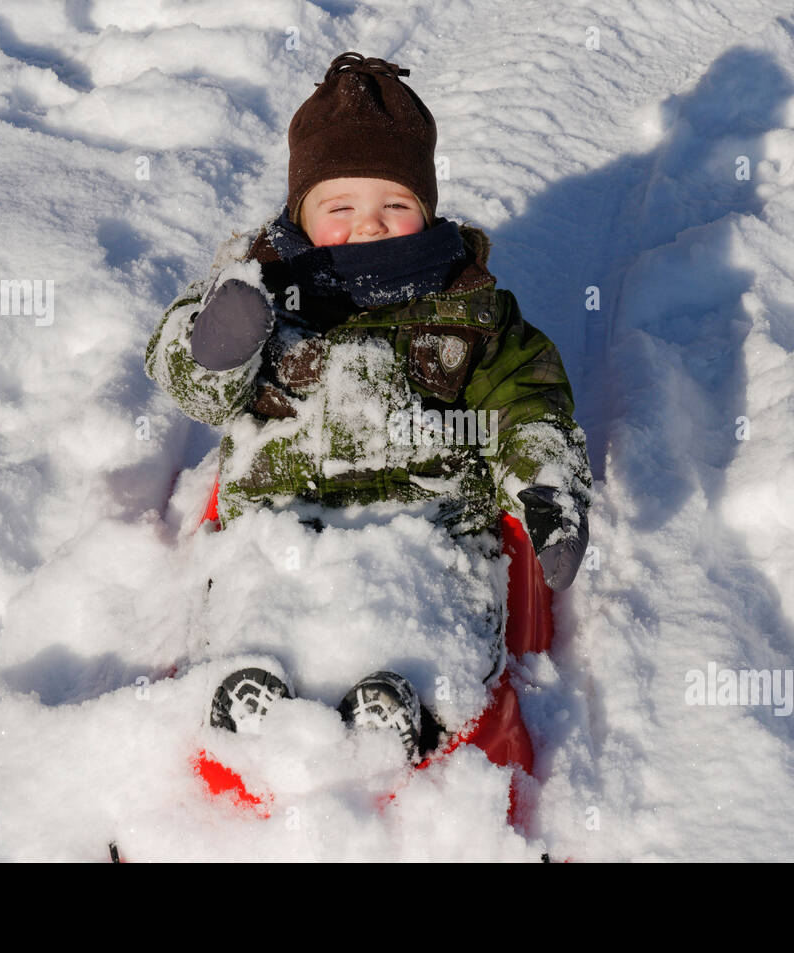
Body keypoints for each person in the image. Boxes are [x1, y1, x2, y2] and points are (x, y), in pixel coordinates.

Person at [145, 52, 591, 761]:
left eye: (395, 205)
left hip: (429, 524)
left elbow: (526, 402)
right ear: (302, 213)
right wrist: (215, 344)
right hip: (279, 521)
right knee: (258, 595)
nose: (370, 226)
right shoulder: (263, 293)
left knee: (427, 609)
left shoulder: (469, 307)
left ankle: (404, 703)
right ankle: (250, 696)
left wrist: (547, 485)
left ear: (427, 210)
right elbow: (193, 386)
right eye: (340, 208)